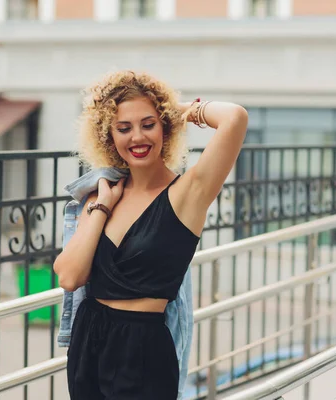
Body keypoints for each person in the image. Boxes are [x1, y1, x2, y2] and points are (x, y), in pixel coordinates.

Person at [54, 70, 248, 400]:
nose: (137, 138)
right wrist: (101, 207)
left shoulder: (189, 193)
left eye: (149, 123)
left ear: (165, 127)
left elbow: (234, 118)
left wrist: (176, 109)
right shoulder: (103, 192)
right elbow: (70, 276)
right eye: (123, 128)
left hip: (142, 348)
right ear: (108, 135)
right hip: (89, 339)